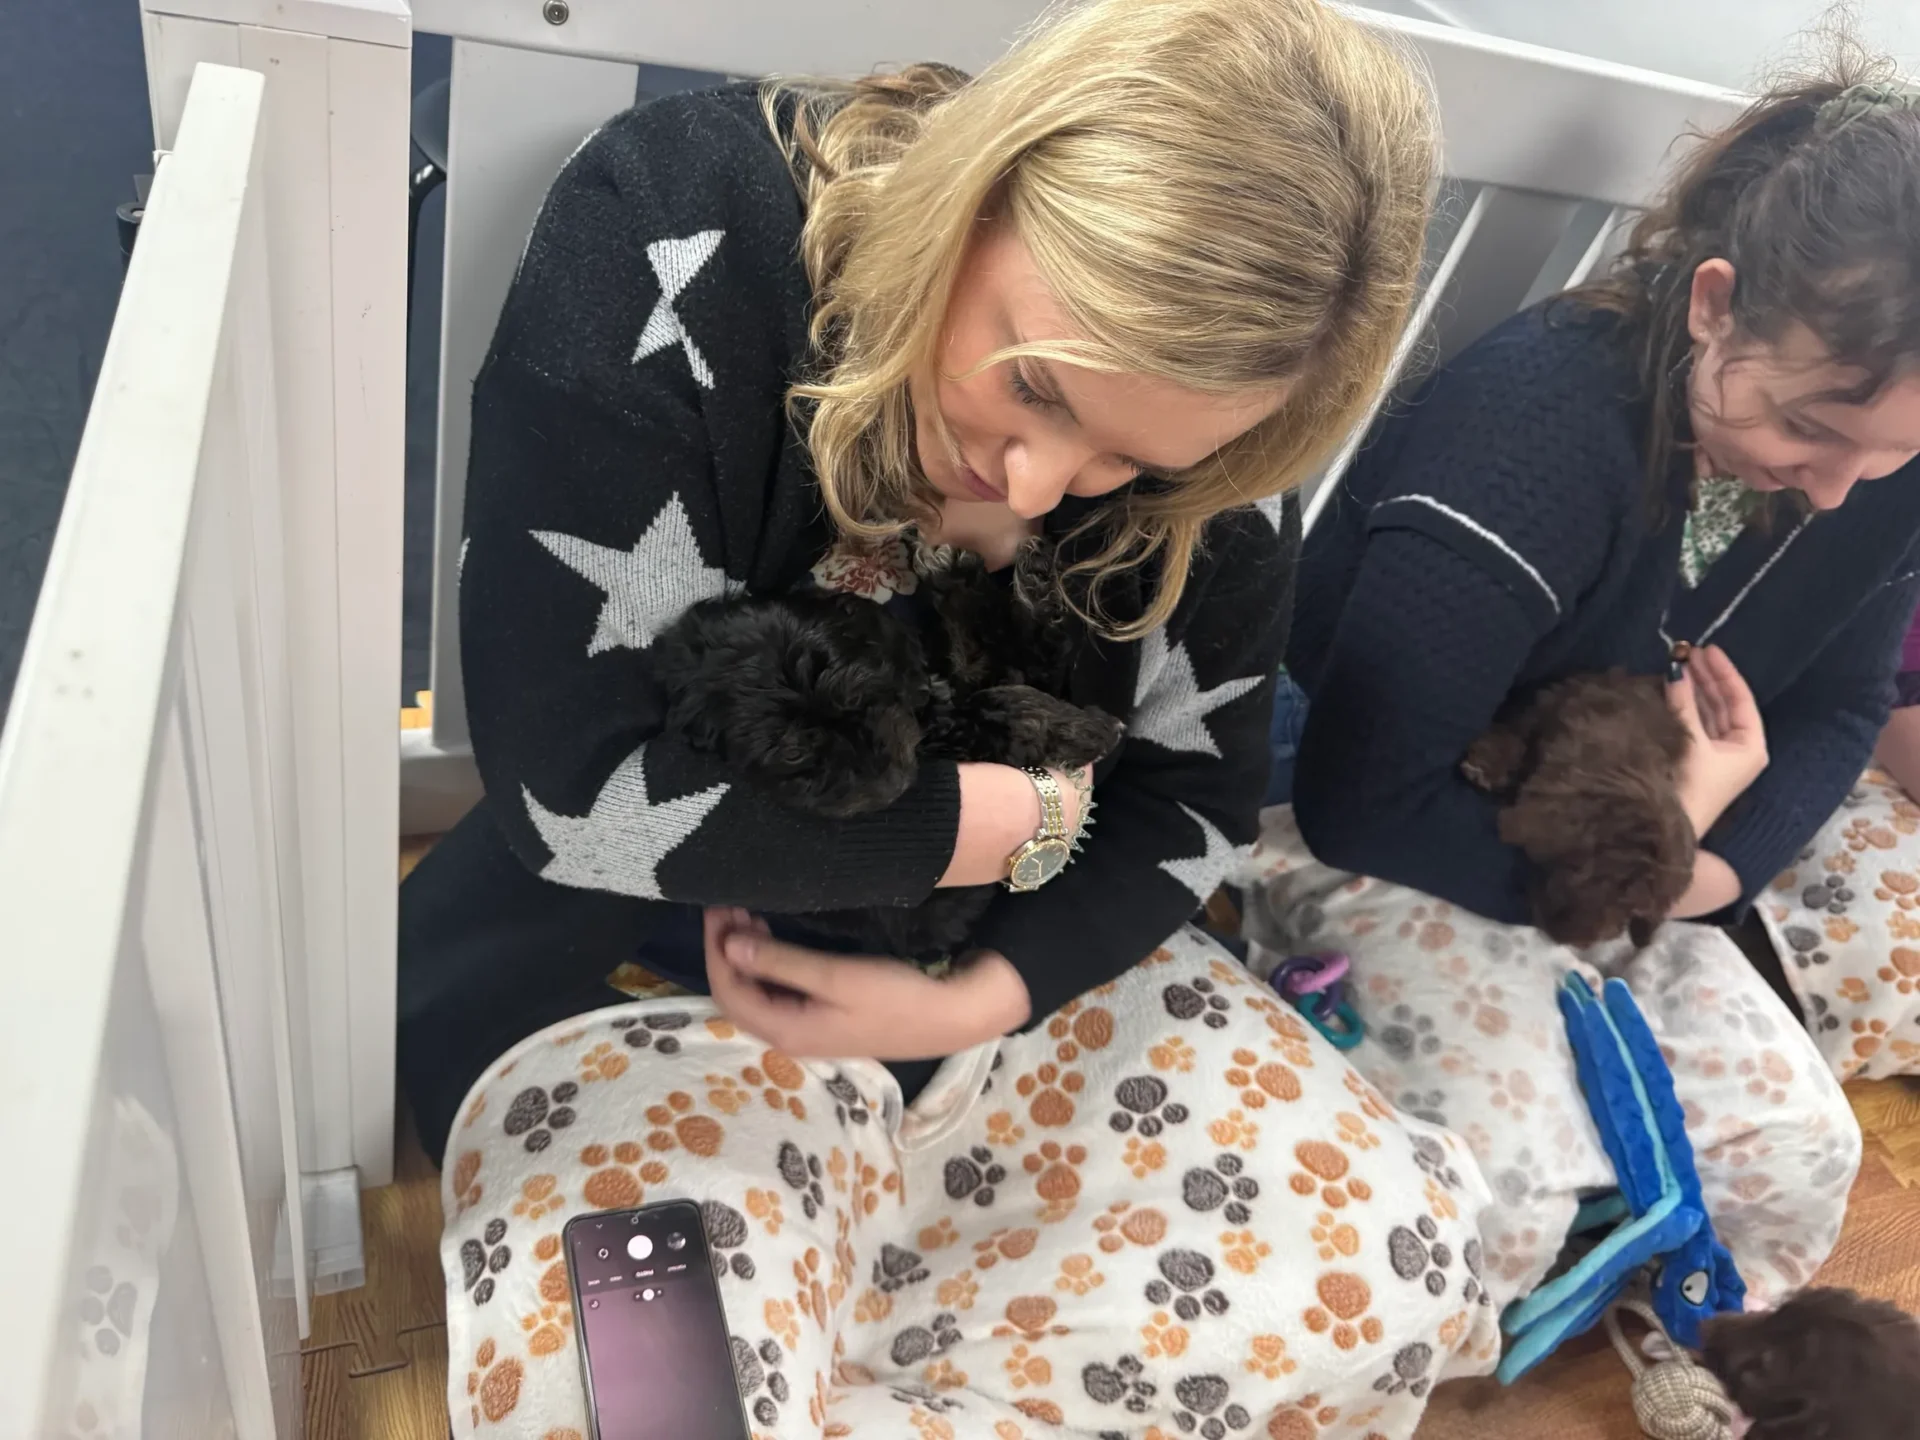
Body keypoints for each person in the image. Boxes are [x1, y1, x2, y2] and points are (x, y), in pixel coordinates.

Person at [414, 3, 1511, 1436]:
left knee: (1400, 1261)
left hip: (984, 991)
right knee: (641, 1394)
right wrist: (986, 827)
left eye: (1131, 459)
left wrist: (980, 988)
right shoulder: (688, 223)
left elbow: (1191, 811)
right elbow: (575, 789)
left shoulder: (1218, 467)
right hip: (635, 955)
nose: (1038, 483)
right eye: (1035, 382)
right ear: (986, 181)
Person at [1255, 65, 1920, 1308]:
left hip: (1632, 851)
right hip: (1395, 809)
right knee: (1502, 1183)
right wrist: (1655, 864)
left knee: (1805, 1147)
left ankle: (1666, 1311)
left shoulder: (1873, 473)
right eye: (1813, 435)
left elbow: (1843, 698)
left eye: (1893, 459)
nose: (1839, 491)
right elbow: (1364, 799)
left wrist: (1705, 868)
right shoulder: (1538, 426)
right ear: (1718, 306)